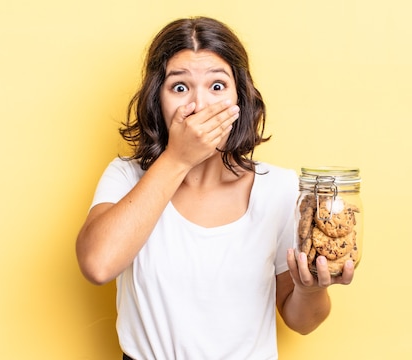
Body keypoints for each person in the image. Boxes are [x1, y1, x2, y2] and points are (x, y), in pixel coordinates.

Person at [76, 16, 354, 360]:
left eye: (217, 86)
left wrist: (311, 290)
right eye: (179, 88)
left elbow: (301, 321)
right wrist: (178, 158)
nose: (199, 105)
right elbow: (97, 265)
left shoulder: (280, 189)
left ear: (241, 98)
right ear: (156, 100)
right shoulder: (126, 177)